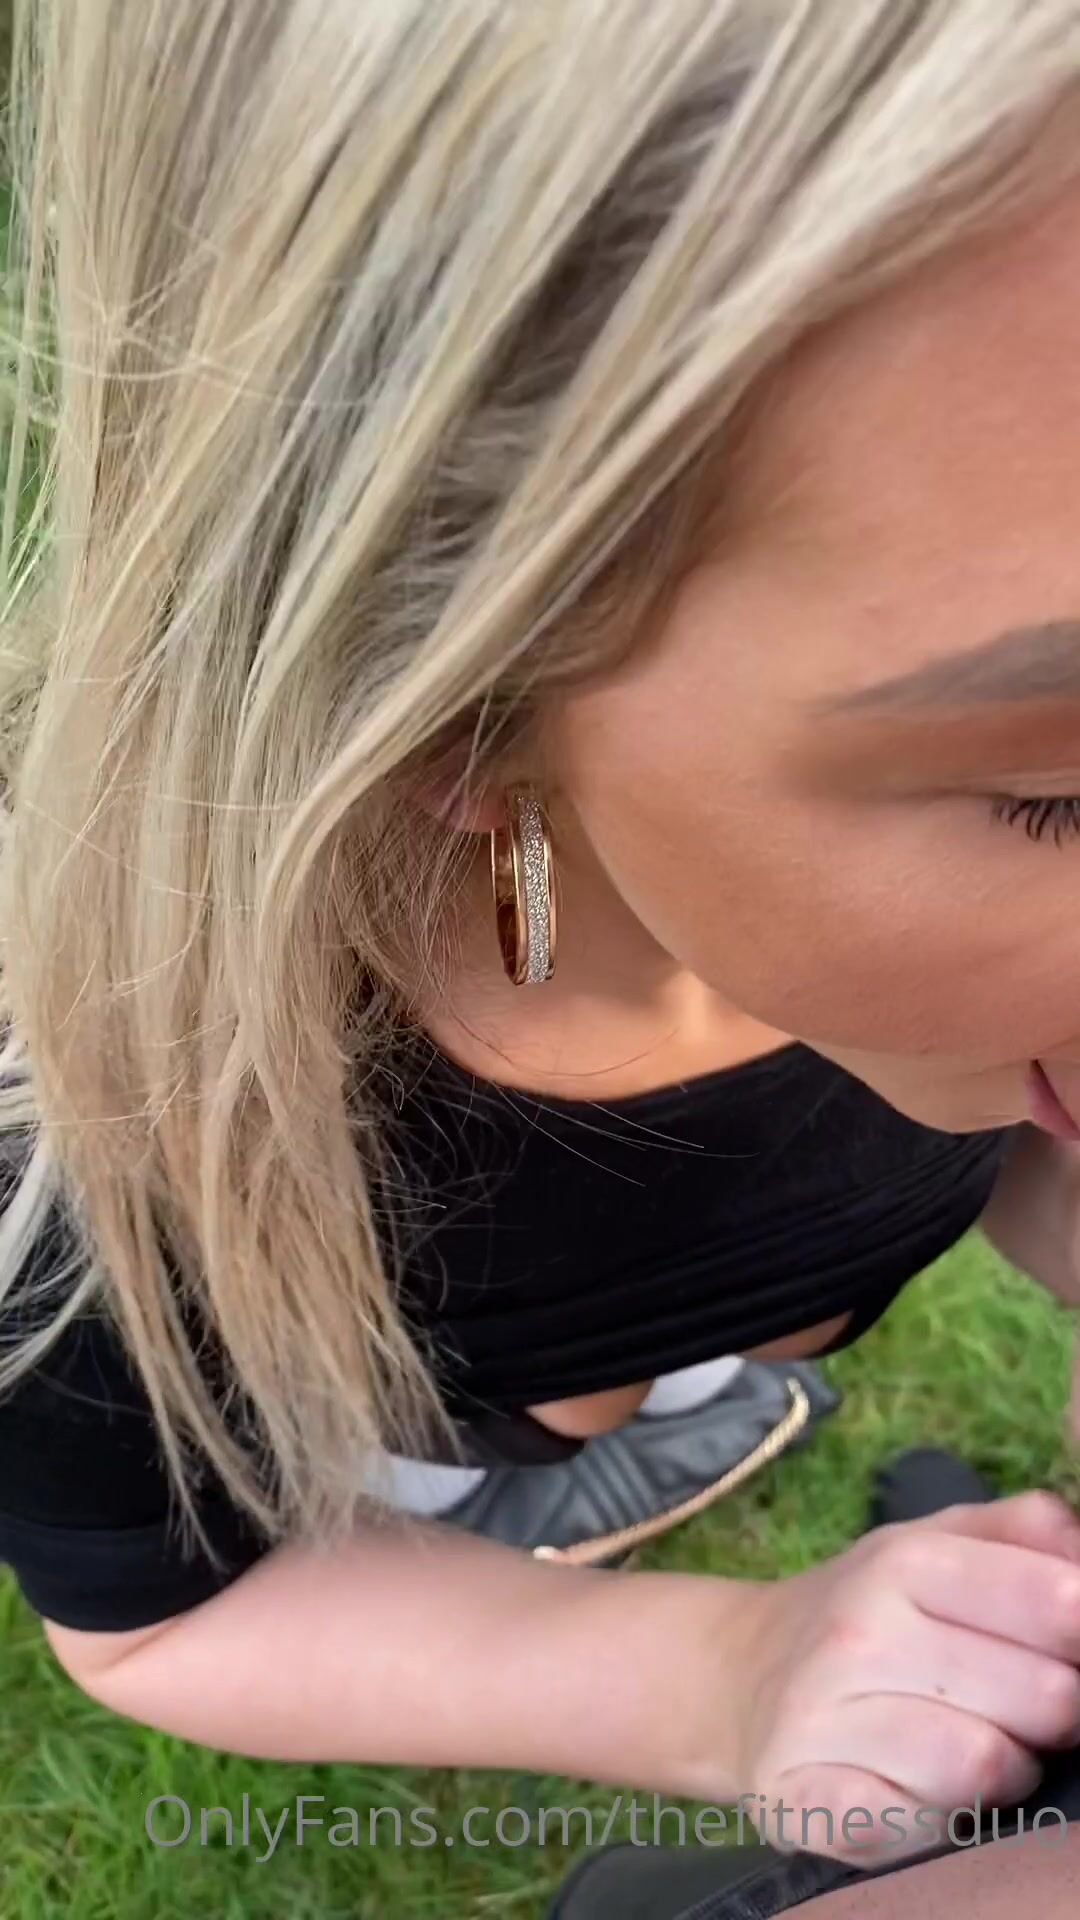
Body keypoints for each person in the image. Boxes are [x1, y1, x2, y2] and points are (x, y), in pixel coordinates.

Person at [4, 0, 1080, 1878]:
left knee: (679, 1371)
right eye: (1061, 793)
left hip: (739, 1275)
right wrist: (724, 1673)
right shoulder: (81, 1160)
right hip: (408, 1400)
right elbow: (162, 1615)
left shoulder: (944, 969)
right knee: (478, 1451)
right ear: (455, 711)